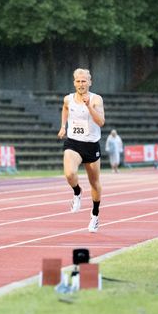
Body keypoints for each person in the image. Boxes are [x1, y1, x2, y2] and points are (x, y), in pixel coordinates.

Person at [57, 68, 105, 233]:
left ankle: (95, 215)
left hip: (91, 145)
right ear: (74, 82)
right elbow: (64, 108)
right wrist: (63, 126)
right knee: (70, 174)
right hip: (73, 143)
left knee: (95, 183)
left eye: (84, 81)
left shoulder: (96, 99)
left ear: (89, 82)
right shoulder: (68, 99)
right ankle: (77, 192)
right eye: (78, 81)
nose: (81, 84)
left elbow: (101, 122)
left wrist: (89, 107)